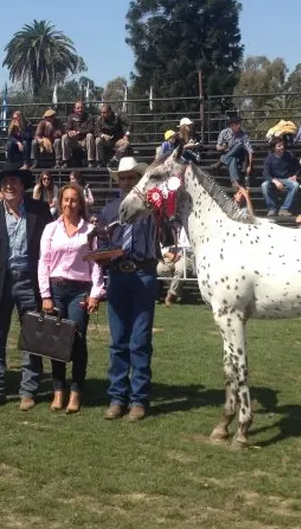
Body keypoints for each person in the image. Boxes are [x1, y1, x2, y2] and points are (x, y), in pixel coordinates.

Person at [0, 167, 53, 410]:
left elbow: (50, 247)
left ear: (22, 186)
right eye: (6, 182)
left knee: (32, 338)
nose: (10, 186)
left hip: (30, 283)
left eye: (14, 182)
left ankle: (28, 391)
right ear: (1, 187)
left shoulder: (39, 211)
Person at [99, 157, 160, 421]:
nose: (126, 182)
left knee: (140, 339)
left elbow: (164, 230)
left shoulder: (151, 207)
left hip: (143, 274)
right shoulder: (109, 209)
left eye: (130, 178)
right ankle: (117, 397)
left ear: (138, 180)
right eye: (122, 178)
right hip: (116, 275)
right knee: (118, 340)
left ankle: (138, 399)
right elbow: (102, 245)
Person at [38, 182, 103, 413]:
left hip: (79, 290)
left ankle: (75, 393)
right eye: (65, 199)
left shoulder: (89, 231)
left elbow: (95, 263)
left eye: (74, 200)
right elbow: (43, 263)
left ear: (80, 203)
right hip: (55, 290)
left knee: (76, 340)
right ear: (60, 201)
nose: (69, 204)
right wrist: (45, 295)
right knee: (56, 342)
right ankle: (58, 391)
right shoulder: (50, 229)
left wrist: (96, 293)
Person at [260, 137, 300, 218]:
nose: (282, 147)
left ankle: (284, 209)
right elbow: (265, 174)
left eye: (282, 145)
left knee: (295, 185)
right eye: (279, 146)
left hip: (286, 179)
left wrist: (295, 175)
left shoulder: (289, 155)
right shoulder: (269, 158)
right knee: (264, 185)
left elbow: (298, 167)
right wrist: (274, 181)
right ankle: (272, 208)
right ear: (274, 148)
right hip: (274, 179)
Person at [158, 223, 192, 306]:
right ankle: (177, 292)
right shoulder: (164, 228)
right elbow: (159, 245)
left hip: (183, 255)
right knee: (160, 269)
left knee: (181, 270)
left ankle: (169, 296)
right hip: (169, 255)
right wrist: (169, 255)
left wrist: (180, 252)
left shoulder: (187, 227)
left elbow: (190, 247)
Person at [214, 114, 253, 187]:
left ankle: (221, 162)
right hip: (229, 155)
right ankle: (235, 181)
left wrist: (249, 165)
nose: (239, 126)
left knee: (239, 145)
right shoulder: (224, 133)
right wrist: (223, 148)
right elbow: (217, 147)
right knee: (233, 159)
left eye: (239, 124)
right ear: (231, 125)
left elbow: (250, 150)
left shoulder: (243, 135)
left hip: (239, 156)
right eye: (237, 124)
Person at [56, 101, 95, 167]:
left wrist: (79, 132)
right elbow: (67, 128)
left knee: (90, 135)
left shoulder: (89, 117)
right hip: (74, 141)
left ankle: (90, 161)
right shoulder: (71, 117)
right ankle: (66, 161)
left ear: (84, 108)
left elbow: (91, 129)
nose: (80, 110)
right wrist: (69, 132)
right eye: (78, 108)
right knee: (65, 137)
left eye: (81, 108)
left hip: (84, 140)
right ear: (74, 109)